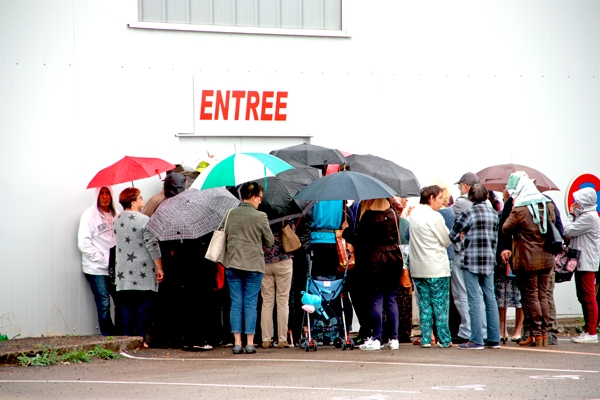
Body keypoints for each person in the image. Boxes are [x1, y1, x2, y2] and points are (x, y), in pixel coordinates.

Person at [502, 172, 556, 347]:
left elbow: (505, 228)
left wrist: (513, 209)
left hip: (527, 259)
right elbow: (553, 224)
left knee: (531, 296)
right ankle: (543, 335)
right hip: (547, 257)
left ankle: (536, 333)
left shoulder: (519, 209)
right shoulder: (547, 204)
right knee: (542, 295)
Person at [343, 198, 403, 350]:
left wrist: (346, 232)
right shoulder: (393, 213)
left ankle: (376, 338)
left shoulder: (368, 216)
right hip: (394, 258)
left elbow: (360, 241)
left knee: (376, 299)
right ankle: (394, 338)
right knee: (391, 298)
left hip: (375, 260)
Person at [222, 182, 274, 354]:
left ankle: (237, 342)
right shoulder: (261, 216)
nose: (261, 200)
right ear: (252, 196)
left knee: (236, 303)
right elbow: (270, 241)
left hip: (233, 262)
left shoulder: (230, 214)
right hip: (253, 265)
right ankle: (250, 342)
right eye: (260, 197)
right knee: (250, 303)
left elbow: (224, 234)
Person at [450, 184, 501, 350]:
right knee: (490, 298)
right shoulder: (494, 214)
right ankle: (494, 339)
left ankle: (477, 339)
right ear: (486, 196)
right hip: (489, 260)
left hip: (471, 260)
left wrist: (462, 236)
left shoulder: (468, 213)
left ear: (471, 197)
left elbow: (453, 235)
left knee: (474, 299)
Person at [114, 188, 164, 344]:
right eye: (140, 198)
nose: (143, 200)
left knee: (125, 307)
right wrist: (159, 266)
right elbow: (152, 244)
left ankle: (126, 340)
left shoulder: (116, 219)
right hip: (142, 270)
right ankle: (140, 339)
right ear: (133, 201)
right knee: (142, 307)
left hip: (123, 271)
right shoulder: (144, 220)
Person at [408, 185, 453, 348]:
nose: (442, 202)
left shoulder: (413, 214)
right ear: (431, 198)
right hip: (436, 267)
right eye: (440, 198)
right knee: (440, 305)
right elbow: (446, 240)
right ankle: (444, 339)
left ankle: (426, 338)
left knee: (424, 305)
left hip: (418, 268)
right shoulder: (435, 217)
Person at [78, 186, 118, 336]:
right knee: (104, 303)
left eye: (108, 193)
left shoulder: (116, 215)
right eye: (101, 193)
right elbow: (83, 243)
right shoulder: (89, 215)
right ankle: (109, 337)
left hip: (114, 268)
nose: (105, 196)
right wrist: (101, 259)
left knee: (120, 302)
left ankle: (120, 334)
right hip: (96, 268)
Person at [564, 187, 600, 344]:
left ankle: (592, 331)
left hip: (587, 262)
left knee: (588, 296)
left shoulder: (590, 217)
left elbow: (568, 230)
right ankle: (588, 329)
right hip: (582, 261)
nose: (576, 204)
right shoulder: (587, 216)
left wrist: (570, 215)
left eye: (578, 201)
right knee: (583, 296)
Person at [450, 172, 481, 344]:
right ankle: (480, 329)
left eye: (460, 186)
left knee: (460, 293)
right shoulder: (486, 205)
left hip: (461, 254)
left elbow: (447, 222)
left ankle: (466, 329)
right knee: (478, 294)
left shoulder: (461, 203)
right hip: (479, 256)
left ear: (466, 187)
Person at [496, 189, 524, 342]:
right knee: (502, 297)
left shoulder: (523, 215)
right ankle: (502, 328)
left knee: (520, 298)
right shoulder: (500, 216)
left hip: (520, 259)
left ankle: (518, 330)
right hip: (505, 261)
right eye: (506, 197)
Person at [260, 221, 294, 349]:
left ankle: (266, 339)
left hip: (265, 261)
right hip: (283, 260)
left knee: (267, 301)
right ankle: (282, 339)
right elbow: (292, 234)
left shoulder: (261, 215)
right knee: (282, 300)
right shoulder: (287, 215)